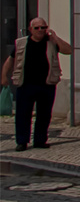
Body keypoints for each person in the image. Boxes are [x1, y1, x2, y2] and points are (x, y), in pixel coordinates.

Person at [4, 17, 71, 152]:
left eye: (43, 27)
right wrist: (4, 76)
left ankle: (40, 140)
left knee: (44, 115)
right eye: (37, 28)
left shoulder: (51, 43)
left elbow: (68, 50)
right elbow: (10, 60)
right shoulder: (22, 43)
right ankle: (22, 142)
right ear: (30, 30)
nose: (41, 30)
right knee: (23, 115)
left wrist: (56, 38)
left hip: (47, 85)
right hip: (26, 84)